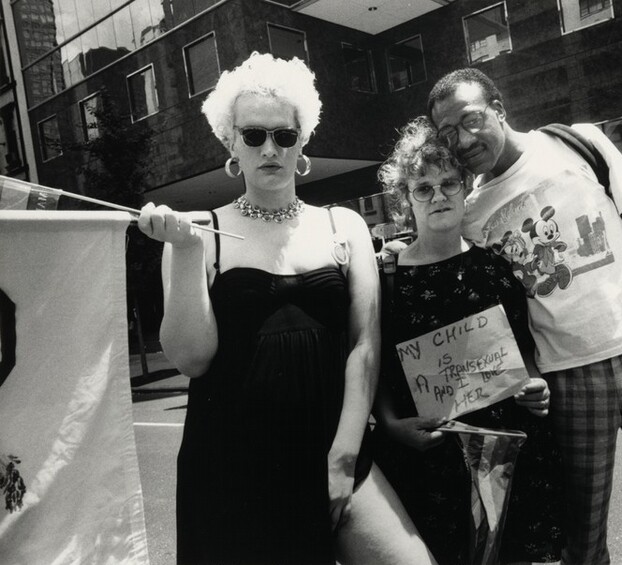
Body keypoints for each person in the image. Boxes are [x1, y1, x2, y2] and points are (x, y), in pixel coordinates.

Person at [137, 52, 436, 565]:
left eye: (284, 135)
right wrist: (186, 252)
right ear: (231, 142)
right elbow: (191, 359)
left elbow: (365, 346)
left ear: (302, 143)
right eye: (253, 136)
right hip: (234, 464)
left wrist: (343, 459)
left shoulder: (344, 226)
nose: (269, 148)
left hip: (333, 447)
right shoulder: (197, 233)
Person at [428, 67, 622, 565]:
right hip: (568, 383)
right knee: (581, 546)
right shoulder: (472, 214)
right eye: (447, 133)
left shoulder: (578, 143)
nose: (463, 138)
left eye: (471, 119)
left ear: (499, 110)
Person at [373, 116, 565, 565]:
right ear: (406, 199)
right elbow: (374, 361)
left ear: (465, 187)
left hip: (509, 452)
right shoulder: (387, 278)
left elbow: (523, 352)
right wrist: (390, 423)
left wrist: (535, 386)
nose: (438, 195)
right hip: (432, 458)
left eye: (449, 183)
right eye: (423, 188)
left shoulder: (497, 267)